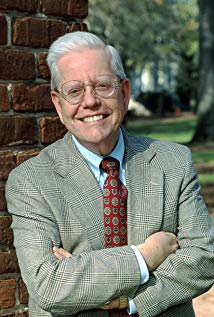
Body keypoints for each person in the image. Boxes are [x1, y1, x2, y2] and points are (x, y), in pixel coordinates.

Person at [6, 31, 214, 317]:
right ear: (58, 103)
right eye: (75, 91)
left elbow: (204, 258)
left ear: (124, 92)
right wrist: (146, 256)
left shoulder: (173, 162)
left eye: (103, 86)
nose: (90, 102)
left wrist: (126, 300)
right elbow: (50, 285)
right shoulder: (31, 181)